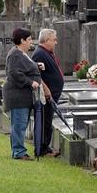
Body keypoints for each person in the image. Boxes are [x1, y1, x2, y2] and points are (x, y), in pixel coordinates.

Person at [3, 27, 41, 160]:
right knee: (19, 125)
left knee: (21, 124)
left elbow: (24, 67)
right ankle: (19, 152)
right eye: (29, 39)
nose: (31, 42)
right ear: (22, 40)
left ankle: (18, 150)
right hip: (17, 96)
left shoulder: (22, 53)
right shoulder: (15, 54)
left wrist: (37, 66)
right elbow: (14, 73)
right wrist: (30, 82)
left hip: (23, 96)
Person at [31, 28, 63, 157]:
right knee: (44, 121)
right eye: (54, 40)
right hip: (45, 95)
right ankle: (41, 149)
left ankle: (45, 147)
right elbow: (36, 75)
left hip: (51, 94)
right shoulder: (39, 54)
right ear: (46, 40)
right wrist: (45, 89)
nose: (56, 42)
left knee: (48, 121)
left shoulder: (46, 53)